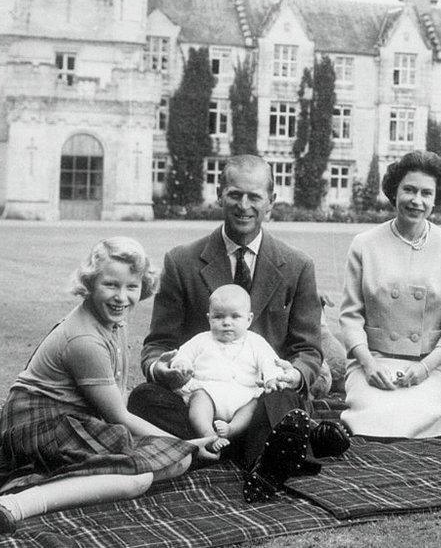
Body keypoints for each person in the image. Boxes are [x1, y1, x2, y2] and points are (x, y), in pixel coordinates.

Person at [0, 237, 215, 535]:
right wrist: (185, 443)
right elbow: (118, 416)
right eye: (110, 285)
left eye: (131, 287)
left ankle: (48, 478)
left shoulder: (112, 321)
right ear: (89, 283)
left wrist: (177, 446)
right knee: (139, 478)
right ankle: (13, 503)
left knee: (174, 461)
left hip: (71, 420)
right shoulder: (84, 340)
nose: (121, 297)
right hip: (38, 423)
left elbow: (117, 396)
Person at [127, 154, 350, 502]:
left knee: (286, 400)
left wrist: (294, 375)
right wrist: (163, 368)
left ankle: (221, 451)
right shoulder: (182, 261)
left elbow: (307, 350)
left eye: (254, 196)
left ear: (271, 202)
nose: (243, 205)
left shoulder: (297, 265)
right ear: (219, 195)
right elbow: (157, 345)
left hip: (262, 398)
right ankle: (275, 451)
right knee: (144, 399)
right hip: (197, 399)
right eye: (234, 194)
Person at [339, 149, 441, 438]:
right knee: (372, 416)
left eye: (426, 193)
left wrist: (425, 368)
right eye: (409, 190)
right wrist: (368, 364)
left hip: (426, 365)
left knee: (420, 418)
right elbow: (350, 317)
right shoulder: (364, 245)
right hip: (373, 361)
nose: (416, 200)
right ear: (393, 192)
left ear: (436, 199)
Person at [173, 284, 282, 452]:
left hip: (243, 394)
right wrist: (182, 364)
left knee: (253, 406)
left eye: (235, 317)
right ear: (209, 318)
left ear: (249, 319)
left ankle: (232, 429)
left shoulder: (256, 342)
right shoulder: (202, 340)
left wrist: (271, 378)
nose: (226, 323)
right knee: (199, 401)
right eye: (219, 317)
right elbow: (184, 354)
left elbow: (269, 361)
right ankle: (208, 435)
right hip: (208, 391)